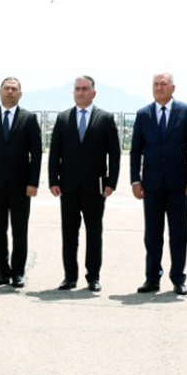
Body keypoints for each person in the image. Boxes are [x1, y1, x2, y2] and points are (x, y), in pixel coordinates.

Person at [130, 73, 187, 295]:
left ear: (173, 88)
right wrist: (135, 180)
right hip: (151, 185)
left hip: (179, 185)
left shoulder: (186, 112)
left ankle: (178, 278)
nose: (159, 88)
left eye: (163, 84)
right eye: (156, 84)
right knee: (152, 235)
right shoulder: (143, 114)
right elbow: (135, 150)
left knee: (179, 234)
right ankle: (152, 278)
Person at [49, 76, 120, 292]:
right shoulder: (63, 118)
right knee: (69, 234)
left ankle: (93, 277)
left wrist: (111, 183)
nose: (80, 92)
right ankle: (70, 276)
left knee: (94, 233)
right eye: (77, 89)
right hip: (68, 187)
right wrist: (53, 180)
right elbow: (55, 153)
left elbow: (114, 154)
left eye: (85, 89)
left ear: (93, 93)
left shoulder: (105, 118)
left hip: (95, 187)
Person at [0, 77, 42, 288]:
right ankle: (2, 272)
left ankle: (18, 273)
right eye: (7, 88)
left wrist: (33, 183)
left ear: (20, 94)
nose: (10, 92)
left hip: (21, 186)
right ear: (0, 92)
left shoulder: (29, 119)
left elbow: (36, 154)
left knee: (19, 231)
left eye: (14, 89)